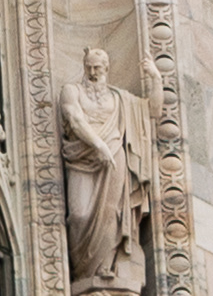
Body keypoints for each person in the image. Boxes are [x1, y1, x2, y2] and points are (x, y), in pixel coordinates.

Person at [61, 46, 150, 291]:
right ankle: (83, 273)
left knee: (112, 212)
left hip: (114, 158)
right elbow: (74, 118)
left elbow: (151, 111)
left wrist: (155, 78)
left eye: (97, 68)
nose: (92, 72)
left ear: (107, 68)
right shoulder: (71, 90)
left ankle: (105, 267)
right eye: (88, 67)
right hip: (82, 158)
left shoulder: (120, 99)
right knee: (78, 215)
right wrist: (98, 144)